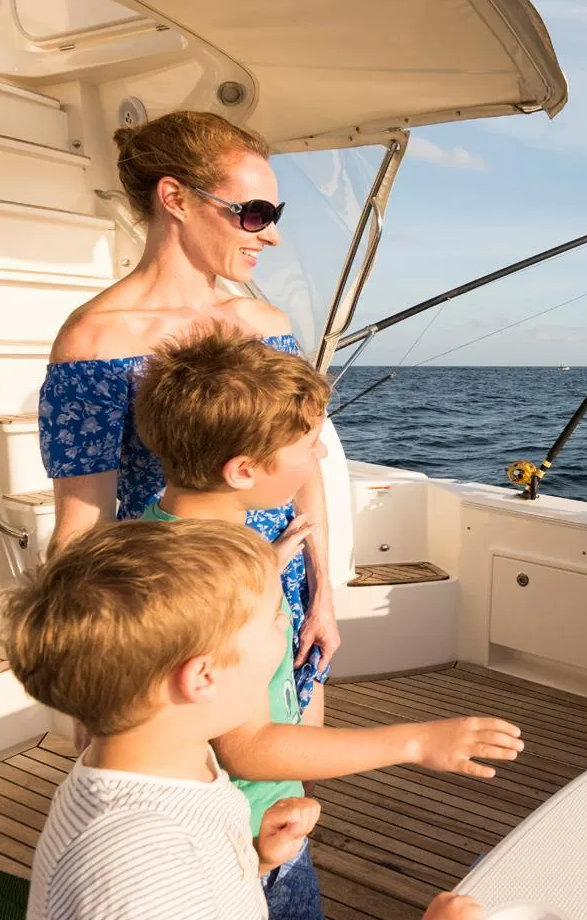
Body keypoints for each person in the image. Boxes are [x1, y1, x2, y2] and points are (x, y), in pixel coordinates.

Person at [133, 326, 522, 920]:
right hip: (249, 839)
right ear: (242, 471)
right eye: (309, 443)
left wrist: (270, 561)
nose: (319, 457)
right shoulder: (229, 587)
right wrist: (417, 740)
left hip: (214, 831)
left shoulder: (155, 539)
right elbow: (247, 748)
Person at [39, 111, 338, 720]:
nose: (270, 236)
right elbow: (81, 530)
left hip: (281, 600)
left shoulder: (266, 325)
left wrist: (322, 595)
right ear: (174, 197)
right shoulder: (93, 343)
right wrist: (92, 688)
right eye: (253, 214)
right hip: (178, 609)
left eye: (274, 217)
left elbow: (303, 473)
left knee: (286, 796)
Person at [4, 519, 321, 920]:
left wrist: (255, 861)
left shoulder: (180, 768)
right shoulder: (136, 861)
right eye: (275, 618)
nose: (284, 625)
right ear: (203, 678)